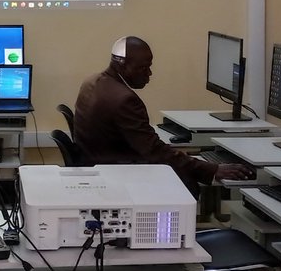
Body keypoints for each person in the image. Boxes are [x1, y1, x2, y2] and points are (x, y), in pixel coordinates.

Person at [73, 36, 252, 194]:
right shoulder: (124, 100)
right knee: (186, 182)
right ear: (122, 64)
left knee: (181, 170)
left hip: (98, 166)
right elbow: (154, 152)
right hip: (117, 173)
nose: (149, 74)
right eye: (143, 68)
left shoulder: (92, 82)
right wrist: (211, 169)